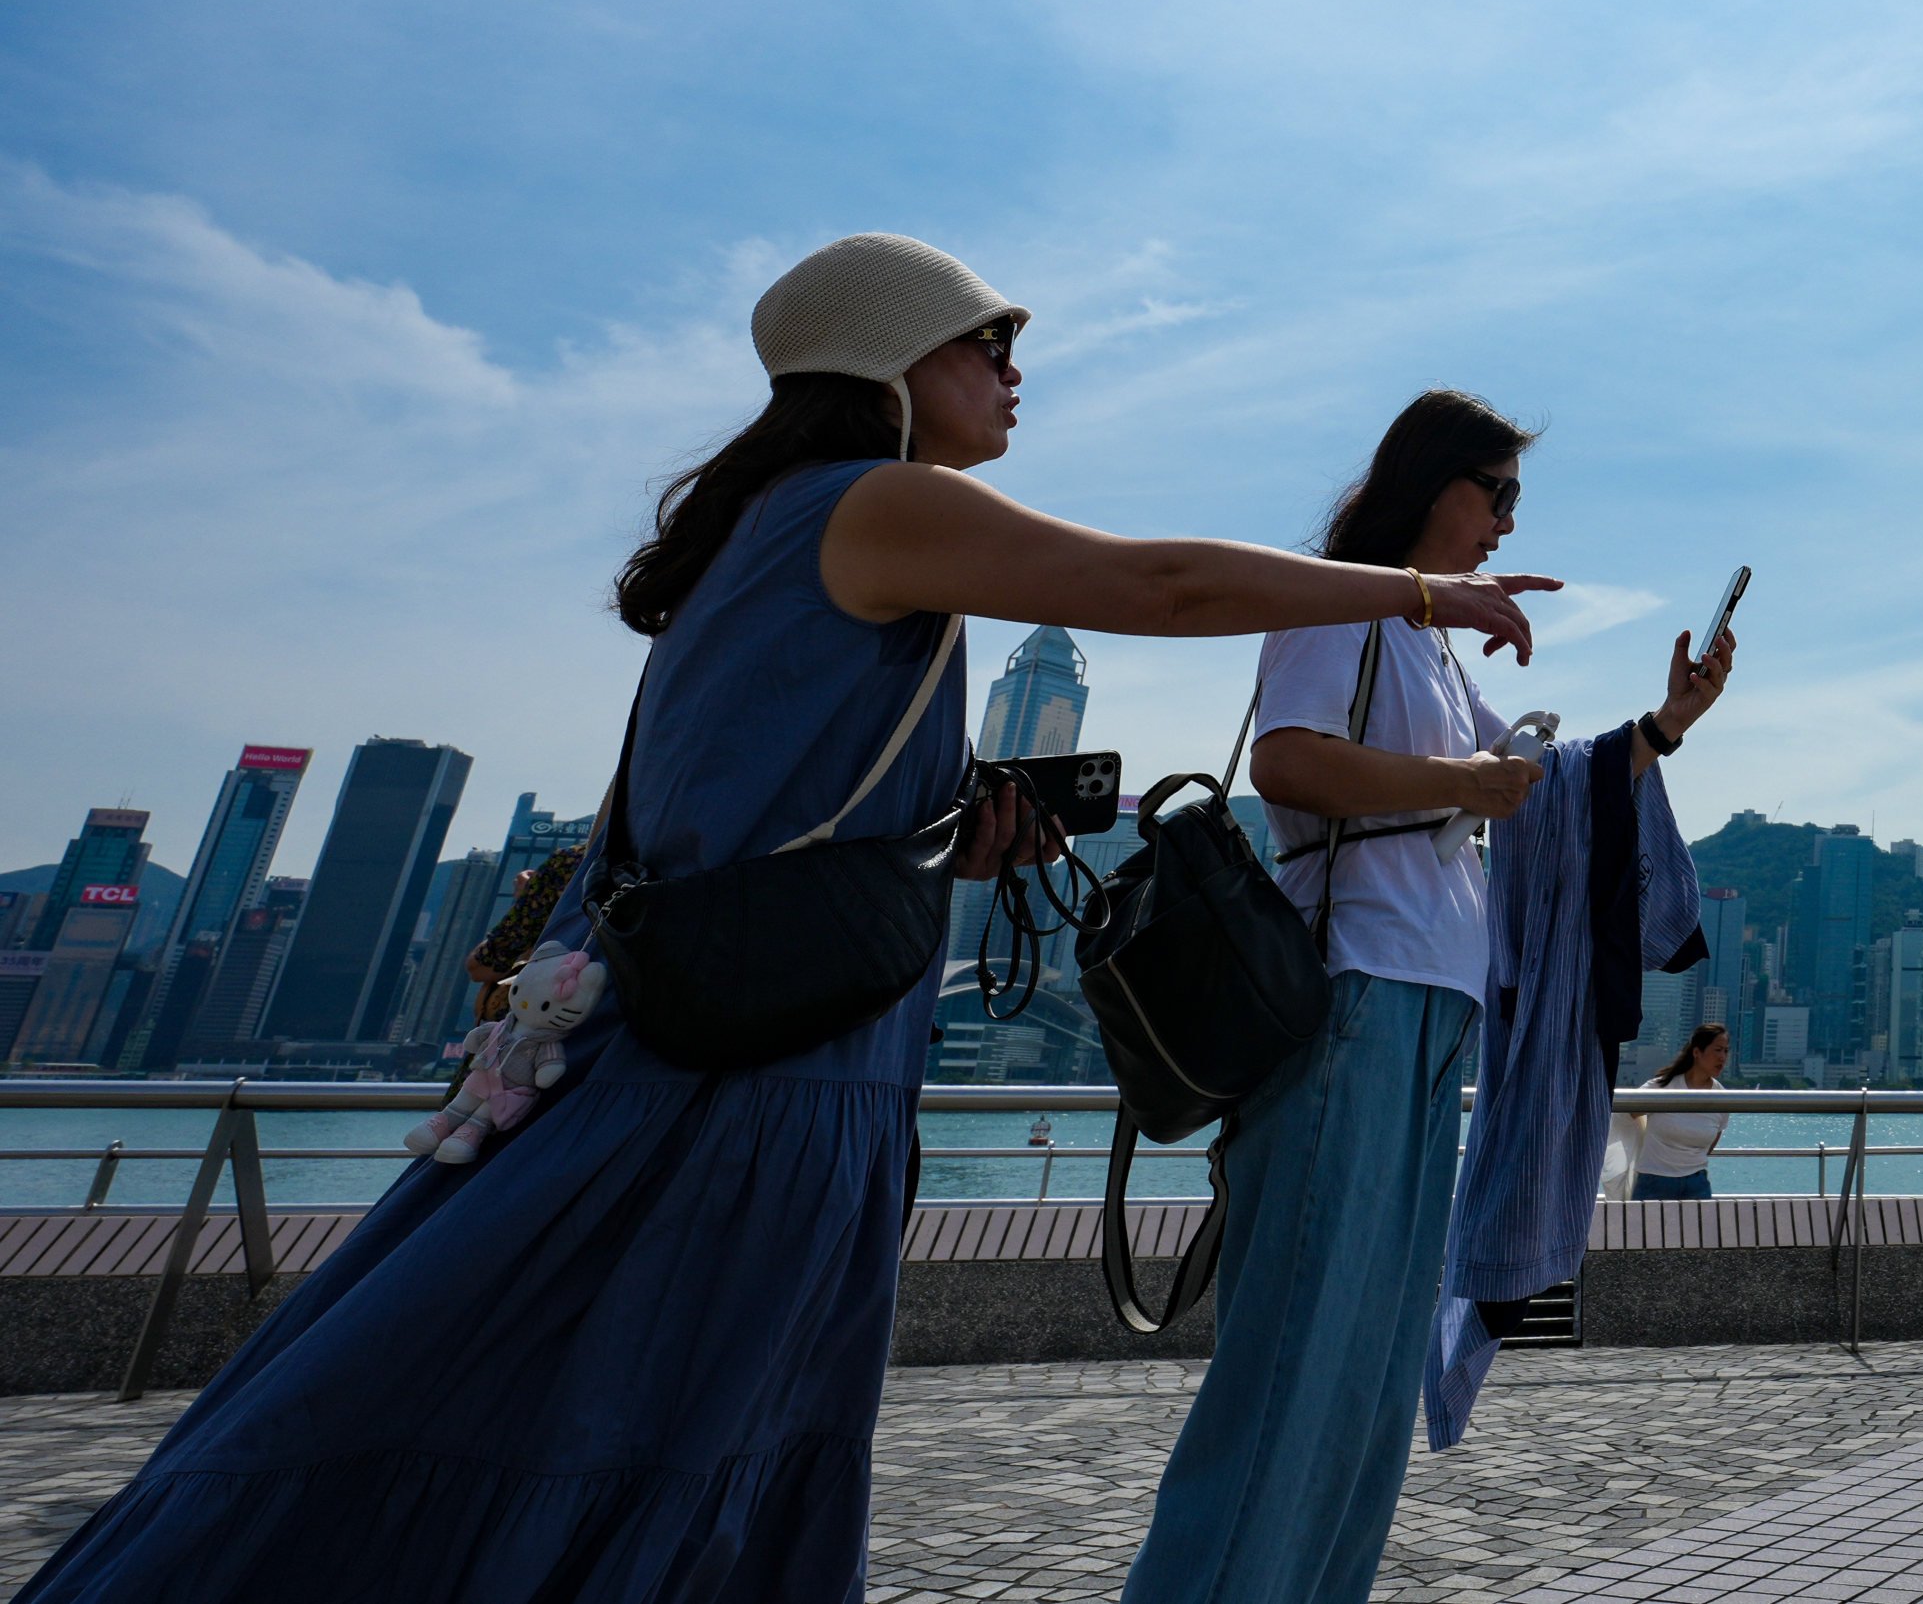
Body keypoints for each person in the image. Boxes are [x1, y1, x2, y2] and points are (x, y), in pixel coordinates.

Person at [18, 232, 1555, 1604]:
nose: (1015, 374)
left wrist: (960, 846)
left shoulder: (763, 535)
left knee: (541, 1390)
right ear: (888, 363)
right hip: (770, 1081)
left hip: (705, 1037)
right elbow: (1145, 579)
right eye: (989, 343)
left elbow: (773, 818)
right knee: (697, 1409)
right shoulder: (872, 500)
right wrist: (1412, 595)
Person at [1121, 390, 1729, 1604]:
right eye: (1493, 492)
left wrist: (1668, 722)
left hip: (1426, 1013)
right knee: (1299, 1355)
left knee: (1366, 1370)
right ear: (1428, 480)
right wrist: (1456, 777)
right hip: (1349, 999)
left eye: (1516, 501)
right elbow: (1289, 765)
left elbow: (1544, 786)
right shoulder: (1333, 597)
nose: (1506, 522)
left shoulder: (1430, 647)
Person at [1624, 1022, 1732, 1201]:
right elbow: (1625, 1115)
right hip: (1654, 1180)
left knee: (1699, 1230)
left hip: (1697, 1184)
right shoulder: (1663, 1087)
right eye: (1718, 1050)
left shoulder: (1722, 1098)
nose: (1723, 1057)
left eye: (1726, 1051)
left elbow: (1710, 1144)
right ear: (1697, 1052)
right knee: (1643, 1230)